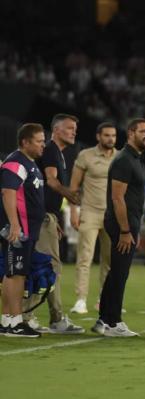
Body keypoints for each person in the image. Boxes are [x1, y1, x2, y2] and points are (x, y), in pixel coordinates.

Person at [92, 118, 145, 337]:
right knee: (120, 272)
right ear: (130, 133)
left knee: (116, 271)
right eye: (143, 131)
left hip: (128, 221)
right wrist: (125, 231)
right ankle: (113, 322)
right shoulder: (125, 160)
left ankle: (103, 320)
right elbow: (117, 198)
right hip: (122, 222)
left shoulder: (134, 159)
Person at [26, 113, 84, 334]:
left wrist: (53, 216)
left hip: (45, 216)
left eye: (74, 129)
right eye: (69, 128)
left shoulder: (56, 153)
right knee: (49, 266)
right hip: (42, 218)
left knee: (41, 265)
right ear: (57, 130)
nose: (73, 132)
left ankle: (32, 315)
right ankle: (47, 317)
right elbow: (50, 181)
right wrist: (69, 195)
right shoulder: (50, 150)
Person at [0, 123, 46, 337]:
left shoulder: (29, 163)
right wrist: (15, 224)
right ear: (25, 142)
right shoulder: (16, 162)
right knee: (15, 274)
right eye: (39, 141)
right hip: (19, 230)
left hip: (27, 229)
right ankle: (13, 322)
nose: (43, 145)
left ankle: (9, 320)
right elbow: (8, 192)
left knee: (17, 273)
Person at [69, 122, 117, 314]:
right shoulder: (85, 155)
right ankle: (81, 300)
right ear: (98, 136)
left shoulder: (121, 157)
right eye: (106, 135)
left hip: (112, 215)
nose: (111, 139)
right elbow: (74, 186)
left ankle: (103, 300)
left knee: (109, 261)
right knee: (85, 258)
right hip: (89, 212)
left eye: (113, 135)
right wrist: (74, 211)